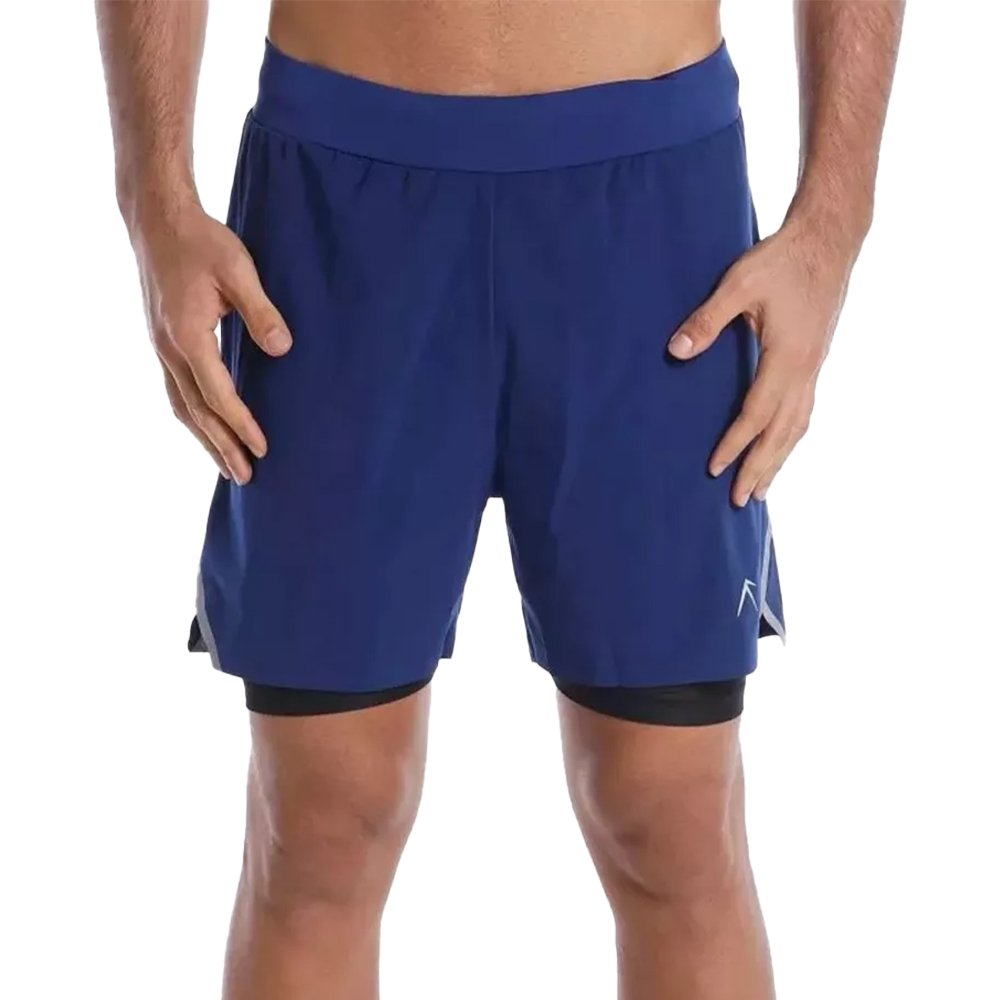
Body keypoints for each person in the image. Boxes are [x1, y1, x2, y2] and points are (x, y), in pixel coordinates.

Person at [96, 2, 904, 996]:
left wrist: (834, 219)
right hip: (340, 195)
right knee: (322, 818)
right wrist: (154, 197)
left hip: (652, 212)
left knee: (671, 814)